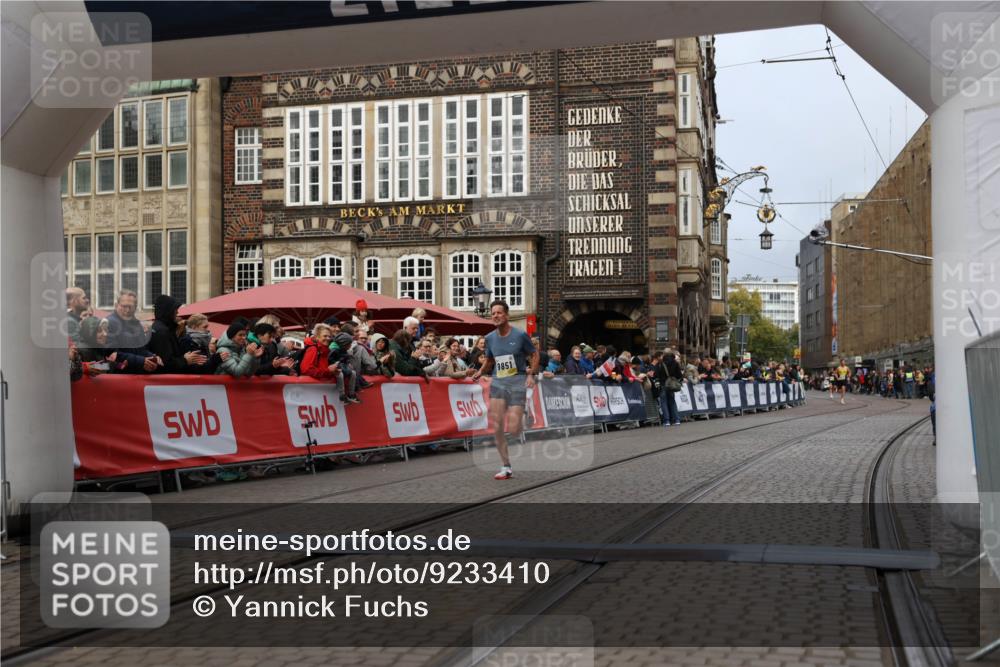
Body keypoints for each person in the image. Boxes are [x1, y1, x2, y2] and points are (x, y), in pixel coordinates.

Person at [472, 300, 538, 480]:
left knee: (515, 430)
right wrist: (480, 371)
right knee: (497, 425)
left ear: (507, 315)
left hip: (517, 382)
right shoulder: (489, 338)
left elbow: (534, 354)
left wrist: (531, 375)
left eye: (499, 312)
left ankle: (524, 414)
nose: (495, 315)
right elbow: (490, 360)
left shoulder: (520, 335)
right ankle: (506, 466)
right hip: (499, 383)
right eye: (493, 313)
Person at [104, 290, 159, 372]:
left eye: (131, 307)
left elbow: (141, 349)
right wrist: (141, 361)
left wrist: (152, 357)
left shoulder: (136, 324)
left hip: (134, 373)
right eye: (124, 306)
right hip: (118, 374)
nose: (127, 310)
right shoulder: (109, 323)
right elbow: (111, 354)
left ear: (136, 307)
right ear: (116, 305)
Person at [655, 348, 684, 426]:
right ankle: (676, 419)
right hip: (671, 385)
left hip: (663, 384)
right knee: (672, 401)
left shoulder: (660, 363)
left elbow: (656, 374)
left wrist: (658, 382)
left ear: (664, 354)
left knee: (664, 402)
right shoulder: (675, 363)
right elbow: (679, 375)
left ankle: (667, 421)